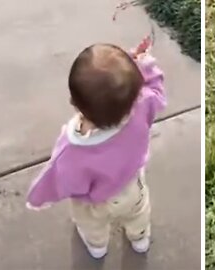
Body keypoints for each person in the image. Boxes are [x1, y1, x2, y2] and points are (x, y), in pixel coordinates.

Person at [25, 38, 166, 259]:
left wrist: (39, 195)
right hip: (133, 186)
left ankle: (97, 247)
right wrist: (144, 64)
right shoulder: (143, 106)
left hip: (97, 202)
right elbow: (155, 88)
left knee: (91, 224)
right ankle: (140, 239)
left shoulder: (72, 148)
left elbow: (65, 181)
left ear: (74, 102)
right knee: (138, 213)